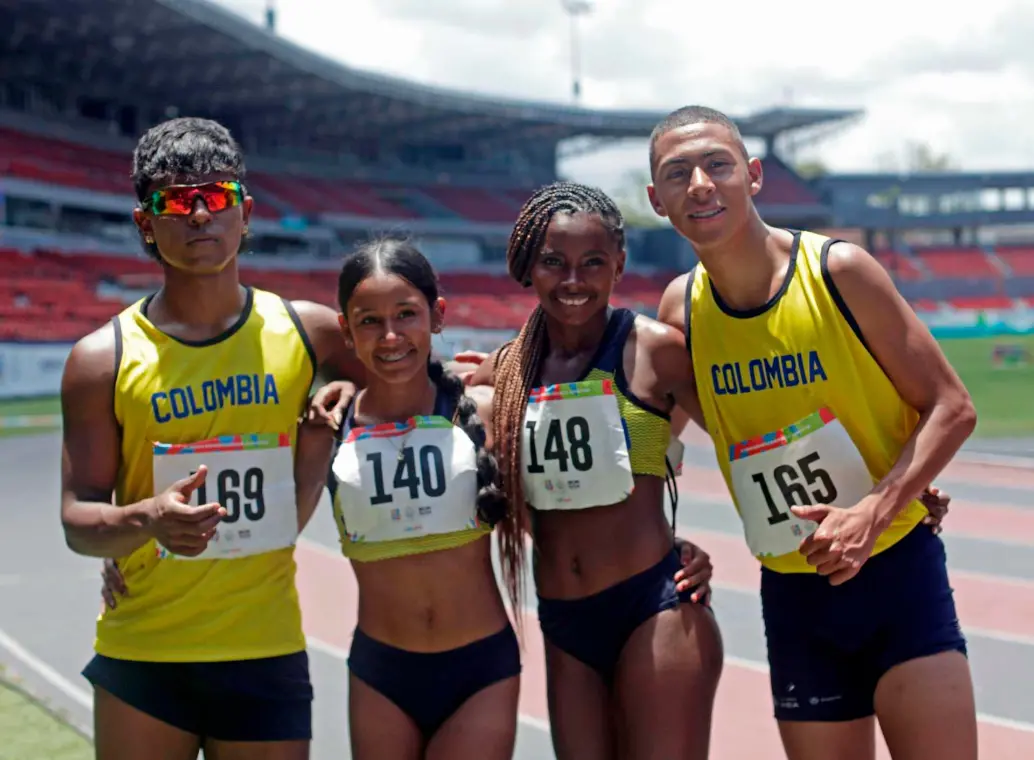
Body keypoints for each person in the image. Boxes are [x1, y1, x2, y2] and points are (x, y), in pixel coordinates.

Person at [648, 105, 978, 760]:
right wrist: (665, 545)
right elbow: (655, 444)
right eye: (678, 173)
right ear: (657, 200)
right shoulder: (680, 309)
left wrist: (875, 511)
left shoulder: (838, 272)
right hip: (794, 593)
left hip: (897, 574)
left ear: (754, 174)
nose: (701, 184)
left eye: (718, 164)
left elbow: (951, 405)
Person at [60, 117, 362, 760]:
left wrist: (349, 396)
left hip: (264, 649)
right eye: (175, 201)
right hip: (144, 652)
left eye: (217, 197)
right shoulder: (101, 359)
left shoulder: (312, 334)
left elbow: (410, 386)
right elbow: (77, 520)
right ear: (146, 223)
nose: (199, 215)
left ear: (245, 213)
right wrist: (146, 519)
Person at [463, 181, 724, 760]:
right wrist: (331, 397)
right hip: (565, 622)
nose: (573, 281)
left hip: (653, 606)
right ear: (531, 266)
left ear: (620, 265)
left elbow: (749, 440)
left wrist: (887, 485)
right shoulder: (507, 372)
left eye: (593, 263)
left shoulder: (657, 351)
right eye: (554, 262)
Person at [302, 238, 521, 760]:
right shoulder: (328, 427)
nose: (391, 335)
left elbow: (557, 518)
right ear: (347, 331)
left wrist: (669, 550)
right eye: (370, 321)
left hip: (481, 670)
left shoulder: (483, 413)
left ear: (437, 315)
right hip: (382, 673)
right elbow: (273, 529)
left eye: (407, 315)